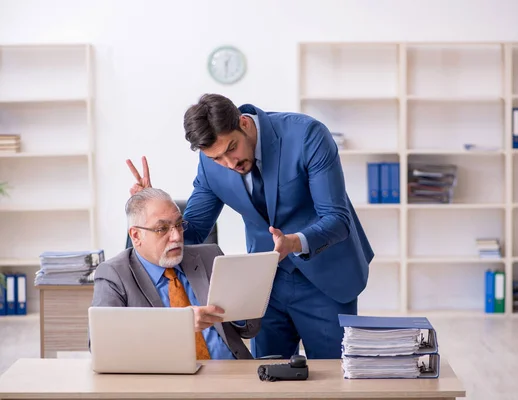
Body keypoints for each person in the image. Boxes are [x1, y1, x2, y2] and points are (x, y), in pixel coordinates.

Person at [126, 94, 374, 359]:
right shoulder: (212, 165)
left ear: (244, 123)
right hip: (264, 286)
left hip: (325, 276)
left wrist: (294, 242)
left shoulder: (307, 135)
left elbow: (337, 218)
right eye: (217, 158)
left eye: (232, 148)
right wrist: (151, 209)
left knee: (333, 379)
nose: (229, 164)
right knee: (267, 378)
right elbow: (195, 230)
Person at [91, 187, 260, 360]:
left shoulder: (210, 257)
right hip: (168, 381)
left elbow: (249, 330)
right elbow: (101, 343)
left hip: (233, 373)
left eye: (179, 225)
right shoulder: (114, 274)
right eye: (162, 229)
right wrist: (178, 324)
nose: (176, 236)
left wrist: (239, 308)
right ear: (136, 235)